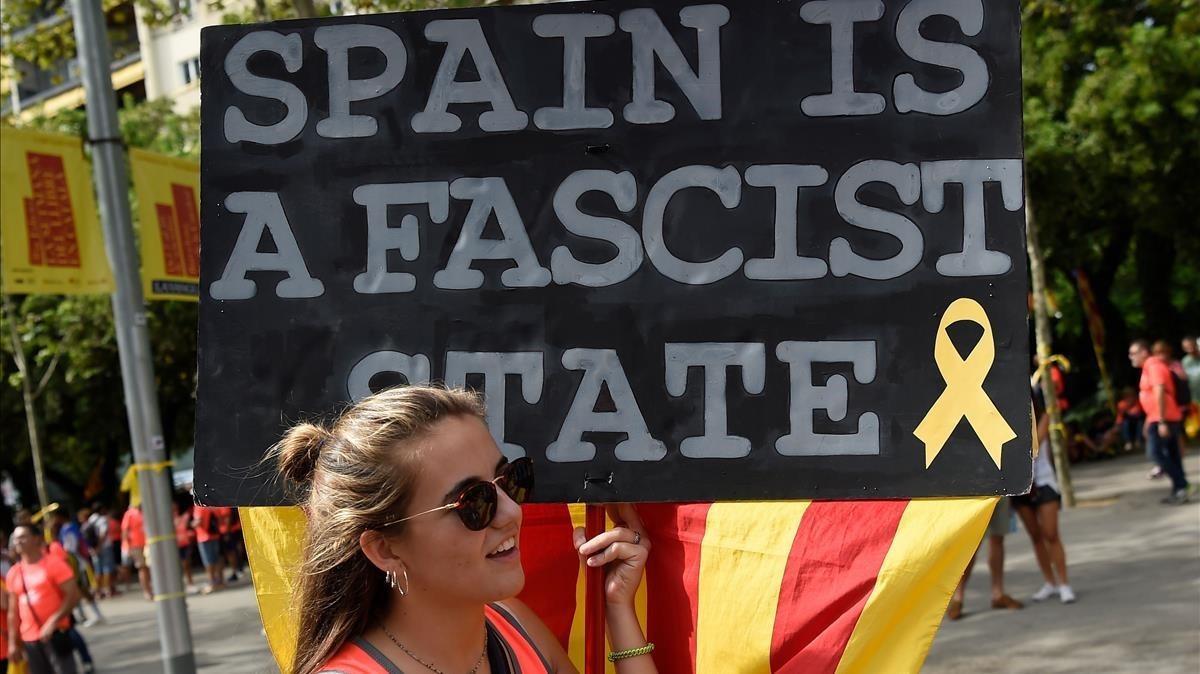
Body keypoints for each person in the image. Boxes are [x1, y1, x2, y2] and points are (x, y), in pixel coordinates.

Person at [270, 385, 657, 674]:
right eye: (474, 502)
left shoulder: (512, 627)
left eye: (510, 479)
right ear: (384, 549)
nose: (511, 513)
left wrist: (619, 608)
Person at [1013, 393, 1076, 604]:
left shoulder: (1043, 418)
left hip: (1044, 481)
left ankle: (1064, 583)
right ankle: (1050, 582)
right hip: (1021, 486)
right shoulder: (1007, 421)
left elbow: (1033, 446)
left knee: (1051, 534)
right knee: (1036, 536)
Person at [5, 525, 81, 674]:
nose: (17, 541)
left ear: (36, 539)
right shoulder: (14, 572)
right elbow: (12, 612)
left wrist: (53, 620)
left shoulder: (54, 564)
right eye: (15, 538)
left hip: (55, 634)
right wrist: (13, 643)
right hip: (29, 639)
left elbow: (73, 595)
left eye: (22, 537)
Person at [1130, 339, 1189, 503]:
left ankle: (1182, 484)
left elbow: (1160, 392)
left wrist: (1161, 420)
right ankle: (1180, 490)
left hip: (1163, 417)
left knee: (1154, 453)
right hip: (1161, 416)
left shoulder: (1153, 366)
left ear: (1144, 352)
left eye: (1134, 353)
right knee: (1172, 454)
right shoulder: (1150, 367)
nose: (1131, 357)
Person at [945, 496, 1022, 620]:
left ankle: (998, 594)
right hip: (975, 490)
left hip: (1000, 486)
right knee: (972, 543)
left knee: (998, 538)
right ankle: (958, 598)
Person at [192, 504, 227, 594]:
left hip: (203, 537)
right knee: (217, 559)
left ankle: (212, 583)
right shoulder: (212, 506)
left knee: (208, 562)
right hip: (215, 535)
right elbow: (221, 519)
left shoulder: (199, 507)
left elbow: (198, 522)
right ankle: (221, 581)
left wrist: (191, 525)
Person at [120, 504, 153, 599]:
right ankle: (147, 591)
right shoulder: (129, 514)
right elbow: (125, 531)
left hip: (148, 543)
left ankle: (152, 588)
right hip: (136, 545)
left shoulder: (146, 510)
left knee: (150, 567)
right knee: (143, 568)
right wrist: (128, 547)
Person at [173, 500, 196, 587]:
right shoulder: (168, 520)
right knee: (179, 566)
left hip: (185, 543)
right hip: (175, 545)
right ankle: (180, 584)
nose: (174, 509)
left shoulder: (184, 517)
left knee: (187, 564)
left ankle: (190, 582)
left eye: (175, 508)